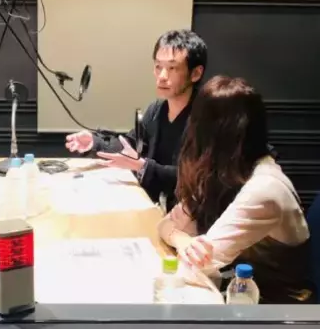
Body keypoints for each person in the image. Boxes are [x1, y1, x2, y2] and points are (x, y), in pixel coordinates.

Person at [158, 76, 315, 304]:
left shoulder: (265, 189)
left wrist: (187, 245)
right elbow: (165, 224)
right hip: (243, 295)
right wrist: (184, 242)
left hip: (277, 307)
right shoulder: (225, 172)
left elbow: (202, 262)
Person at [65, 29, 207, 211]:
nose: (162, 76)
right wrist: (95, 142)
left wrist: (144, 167)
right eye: (158, 66)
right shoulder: (156, 110)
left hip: (189, 215)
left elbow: (198, 178)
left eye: (172, 68)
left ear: (195, 73)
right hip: (155, 206)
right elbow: (130, 145)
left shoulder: (207, 117)